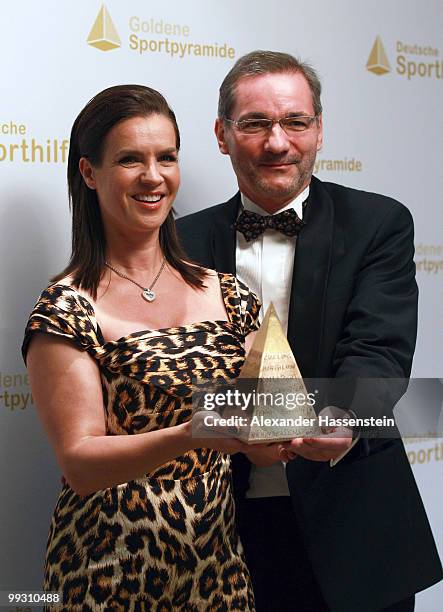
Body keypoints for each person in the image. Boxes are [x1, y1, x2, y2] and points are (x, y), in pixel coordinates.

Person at [176, 51, 443, 612]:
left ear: (319, 130)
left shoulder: (378, 223)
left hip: (356, 525)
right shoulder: (181, 242)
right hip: (221, 532)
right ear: (222, 135)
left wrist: (342, 419)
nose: (278, 142)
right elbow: (180, 379)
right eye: (255, 123)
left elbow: (379, 349)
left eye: (295, 121)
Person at [22, 84, 266, 610]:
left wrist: (312, 433)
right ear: (90, 173)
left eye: (167, 157)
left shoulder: (230, 294)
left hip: (218, 569)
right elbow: (81, 463)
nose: (154, 177)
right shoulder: (67, 308)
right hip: (106, 573)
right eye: (130, 159)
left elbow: (260, 432)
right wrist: (194, 431)